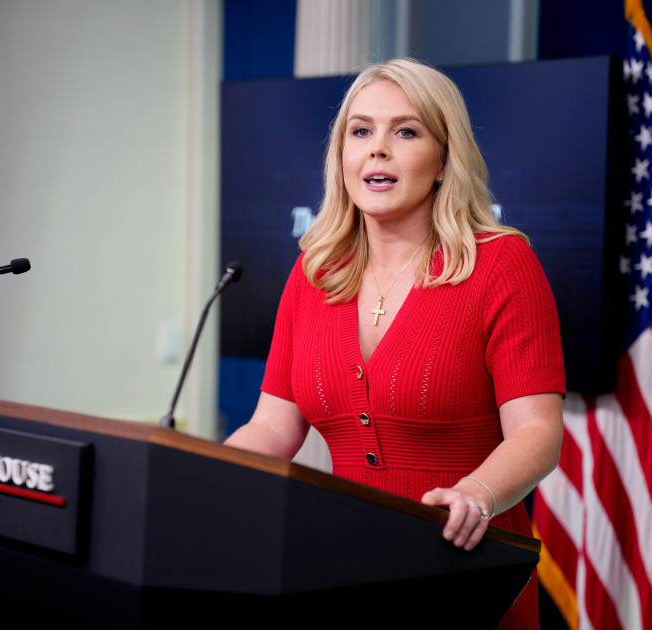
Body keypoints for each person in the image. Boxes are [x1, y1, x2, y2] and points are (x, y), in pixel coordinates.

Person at [225, 58, 565, 628]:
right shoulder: (314, 273)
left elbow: (537, 433)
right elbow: (272, 428)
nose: (377, 149)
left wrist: (476, 494)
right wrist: (197, 476)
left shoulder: (502, 265)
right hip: (343, 567)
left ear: (442, 160)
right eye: (361, 131)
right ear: (342, 155)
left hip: (466, 568)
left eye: (405, 131)